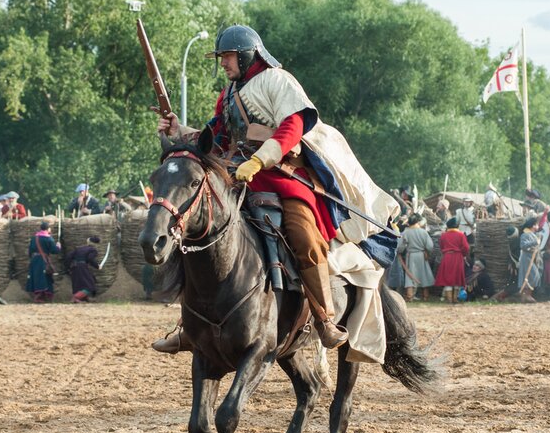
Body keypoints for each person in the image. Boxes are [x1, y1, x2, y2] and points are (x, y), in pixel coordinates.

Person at [154, 24, 400, 357]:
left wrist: (259, 160)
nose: (223, 64)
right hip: (235, 176)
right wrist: (178, 130)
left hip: (281, 175)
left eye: (226, 57)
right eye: (222, 58)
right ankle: (191, 327)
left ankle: (325, 319)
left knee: (303, 236)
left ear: (245, 55)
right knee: (200, 234)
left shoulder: (278, 81)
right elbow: (215, 139)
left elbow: (293, 126)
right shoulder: (227, 96)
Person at [397, 213, 435, 301]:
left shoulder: (406, 232)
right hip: (422, 255)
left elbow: (400, 247)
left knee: (410, 277)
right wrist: (426, 251)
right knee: (424, 275)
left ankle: (409, 297)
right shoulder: (423, 232)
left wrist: (400, 252)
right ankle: (425, 297)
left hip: (411, 256)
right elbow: (430, 246)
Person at [434, 217, 469, 303]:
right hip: (458, 257)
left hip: (447, 257)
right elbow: (466, 247)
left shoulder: (444, 235)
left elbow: (442, 246)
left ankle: (449, 300)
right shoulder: (461, 235)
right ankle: (455, 299)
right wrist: (463, 254)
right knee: (457, 278)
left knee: (447, 279)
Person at [26, 221, 61, 303]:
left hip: (35, 260)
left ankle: (41, 296)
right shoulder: (48, 238)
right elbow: (55, 251)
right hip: (43, 260)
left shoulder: (34, 238)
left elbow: (30, 250)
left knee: (37, 277)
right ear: (48, 229)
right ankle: (38, 298)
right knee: (43, 278)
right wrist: (58, 246)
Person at [66, 236, 100, 302]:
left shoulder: (79, 248)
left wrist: (68, 267)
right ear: (96, 244)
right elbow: (90, 259)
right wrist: (97, 266)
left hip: (74, 267)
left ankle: (84, 298)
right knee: (90, 285)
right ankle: (76, 297)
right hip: (82, 267)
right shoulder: (93, 250)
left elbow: (68, 256)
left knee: (80, 284)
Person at [516, 217, 542, 303]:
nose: (538, 226)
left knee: (534, 276)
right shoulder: (525, 234)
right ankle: (526, 295)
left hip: (532, 258)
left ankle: (527, 295)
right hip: (527, 258)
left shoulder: (532, 234)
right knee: (529, 276)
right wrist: (535, 242)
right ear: (533, 225)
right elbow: (523, 246)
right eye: (536, 224)